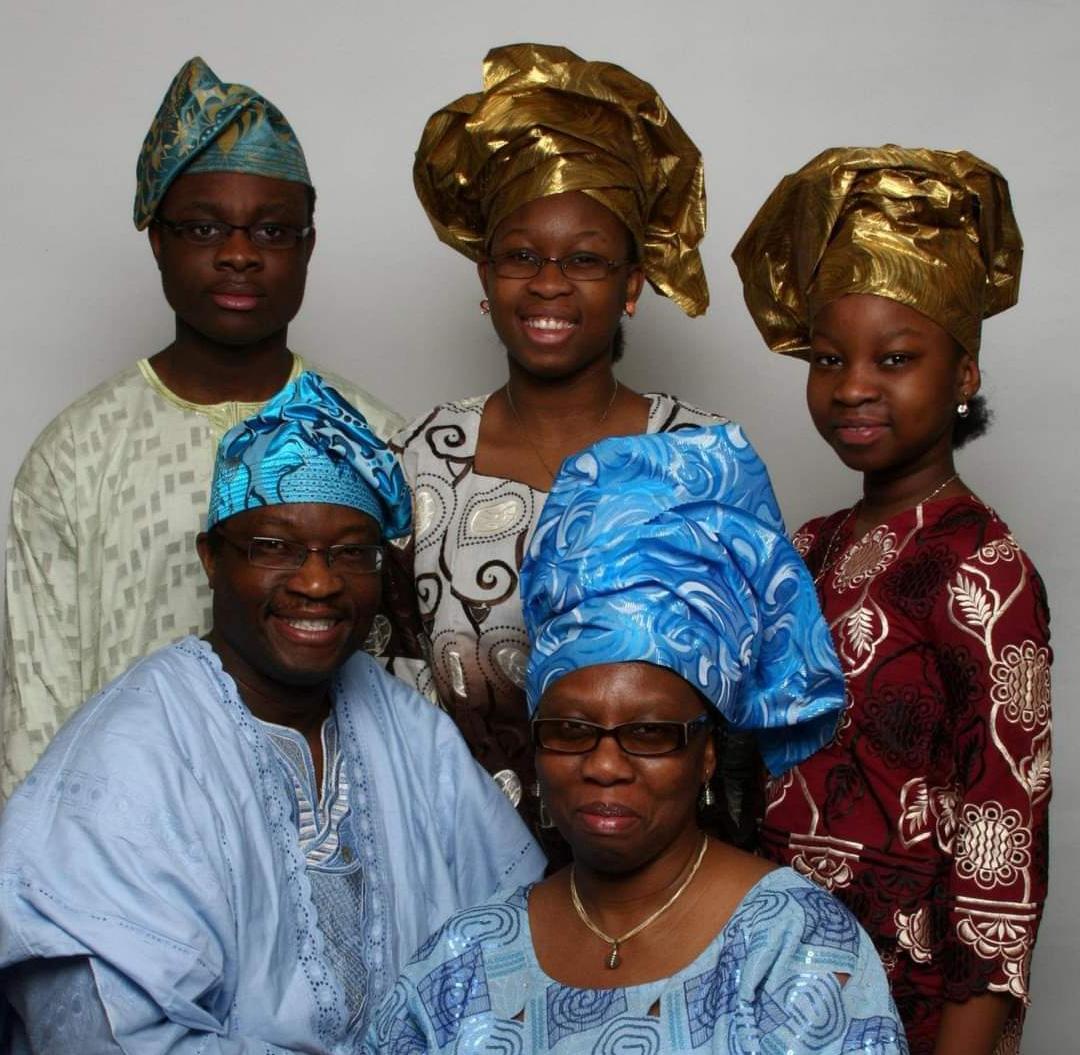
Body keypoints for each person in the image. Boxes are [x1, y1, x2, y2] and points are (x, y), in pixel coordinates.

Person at [0, 373, 544, 1053]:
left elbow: (518, 941)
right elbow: (94, 1032)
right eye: (275, 547)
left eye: (351, 553)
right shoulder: (131, 754)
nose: (318, 583)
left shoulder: (407, 728)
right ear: (211, 560)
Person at [365, 426, 907, 1054]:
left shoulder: (794, 948)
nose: (603, 764)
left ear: (706, 754)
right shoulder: (464, 959)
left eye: (648, 733)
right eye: (571, 730)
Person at [0, 56, 401, 801]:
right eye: (205, 226)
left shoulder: (373, 437)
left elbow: (407, 692)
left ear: (308, 245)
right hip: (122, 847)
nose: (239, 253)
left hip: (332, 839)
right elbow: (35, 713)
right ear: (158, 240)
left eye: (273, 230)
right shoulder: (78, 452)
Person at [732, 146, 1051, 1054]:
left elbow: (1004, 841)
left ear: (963, 376)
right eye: (828, 358)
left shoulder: (985, 568)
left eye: (896, 357)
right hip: (767, 980)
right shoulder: (806, 546)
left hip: (904, 1002)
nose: (854, 386)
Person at [388, 43, 743, 843]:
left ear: (631, 284)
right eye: (520, 256)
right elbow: (385, 694)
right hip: (459, 878)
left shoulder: (700, 457)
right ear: (485, 276)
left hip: (659, 886)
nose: (549, 283)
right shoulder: (421, 456)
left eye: (585, 259)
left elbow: (745, 712)